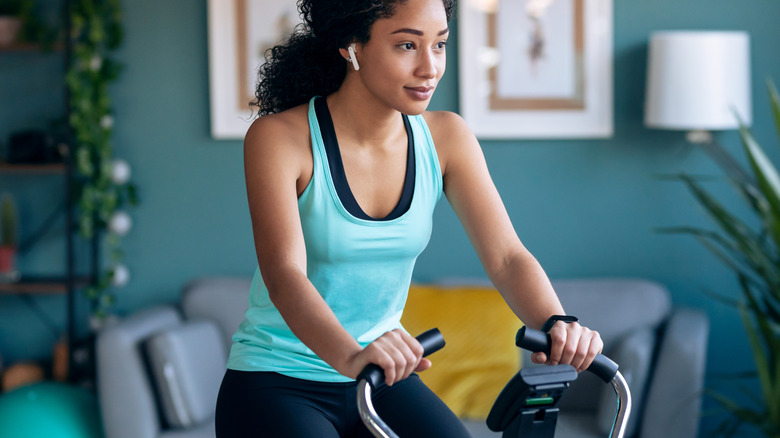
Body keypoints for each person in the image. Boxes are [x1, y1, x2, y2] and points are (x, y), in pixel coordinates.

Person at [215, 0, 603, 437]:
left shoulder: (447, 137)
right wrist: (350, 358)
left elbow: (507, 258)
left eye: (439, 45)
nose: (430, 68)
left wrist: (557, 322)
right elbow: (285, 274)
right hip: (278, 380)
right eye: (406, 45)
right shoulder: (280, 139)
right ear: (351, 46)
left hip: (383, 377)